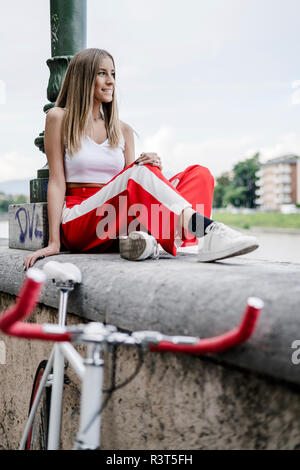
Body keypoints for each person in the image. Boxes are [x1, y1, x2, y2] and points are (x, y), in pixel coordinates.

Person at [24, 48, 258, 270]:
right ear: (83, 77)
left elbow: (133, 185)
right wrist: (55, 242)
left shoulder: (122, 130)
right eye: (102, 73)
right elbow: (56, 181)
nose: (111, 81)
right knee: (138, 172)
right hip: (80, 221)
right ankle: (207, 232)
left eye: (113, 74)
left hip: (117, 220)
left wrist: (154, 170)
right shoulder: (59, 118)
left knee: (199, 174)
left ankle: (149, 242)